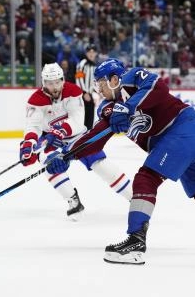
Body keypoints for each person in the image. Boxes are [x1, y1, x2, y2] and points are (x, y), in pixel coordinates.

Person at [45, 58, 195, 264]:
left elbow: (157, 86)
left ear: (113, 79)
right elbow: (94, 138)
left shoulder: (132, 77)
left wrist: (128, 107)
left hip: (184, 130)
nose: (98, 89)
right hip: (181, 143)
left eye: (100, 83)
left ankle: (135, 242)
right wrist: (66, 155)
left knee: (146, 179)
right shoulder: (110, 109)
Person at [20, 62, 131, 220]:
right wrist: (28, 145)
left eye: (57, 82)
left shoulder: (73, 91)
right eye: (50, 83)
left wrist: (59, 131)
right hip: (52, 141)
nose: (55, 86)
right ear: (44, 83)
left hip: (78, 136)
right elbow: (33, 126)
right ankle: (73, 200)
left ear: (63, 79)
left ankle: (134, 197)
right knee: (49, 164)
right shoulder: (35, 100)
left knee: (100, 164)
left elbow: (78, 121)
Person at [76, 44, 98, 129]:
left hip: (89, 94)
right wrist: (84, 92)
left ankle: (87, 135)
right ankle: (82, 137)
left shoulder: (94, 65)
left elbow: (93, 81)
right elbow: (78, 78)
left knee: (90, 117)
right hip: (83, 95)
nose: (91, 54)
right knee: (84, 117)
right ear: (86, 53)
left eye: (93, 52)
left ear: (96, 53)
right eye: (89, 52)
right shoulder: (82, 63)